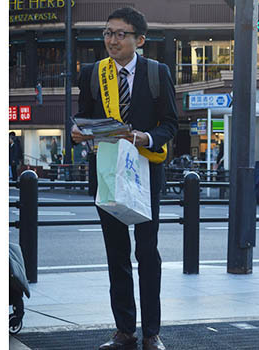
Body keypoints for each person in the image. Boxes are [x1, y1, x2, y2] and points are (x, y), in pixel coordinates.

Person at [71, 7, 178, 350]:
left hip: (145, 172)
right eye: (107, 33)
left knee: (147, 252)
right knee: (115, 253)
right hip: (106, 174)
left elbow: (170, 125)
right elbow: (83, 120)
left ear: (139, 40)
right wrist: (78, 132)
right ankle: (124, 331)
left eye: (120, 34)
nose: (112, 40)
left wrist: (144, 137)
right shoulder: (92, 73)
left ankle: (152, 332)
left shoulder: (157, 73)